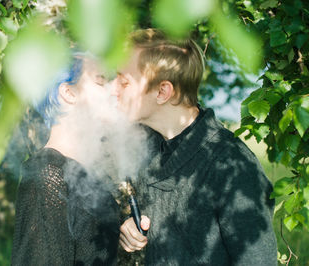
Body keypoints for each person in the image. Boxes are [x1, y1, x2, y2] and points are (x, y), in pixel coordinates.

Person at [113, 29, 277, 265]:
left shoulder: (232, 166)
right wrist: (134, 227)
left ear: (162, 92)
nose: (113, 89)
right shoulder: (150, 146)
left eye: (124, 82)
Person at [11, 54, 120, 265]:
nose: (115, 90)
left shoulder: (82, 172)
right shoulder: (48, 176)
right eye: (101, 81)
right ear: (68, 93)